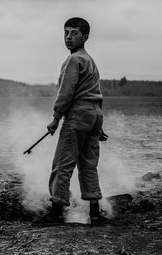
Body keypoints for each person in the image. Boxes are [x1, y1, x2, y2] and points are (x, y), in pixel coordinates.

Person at [33, 17, 109, 226]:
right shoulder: (90, 60)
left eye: (74, 33)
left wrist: (56, 118)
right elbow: (96, 93)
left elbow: (65, 93)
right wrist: (98, 125)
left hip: (78, 115)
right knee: (88, 165)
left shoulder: (73, 60)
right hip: (94, 116)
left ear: (85, 37)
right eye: (66, 32)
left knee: (62, 164)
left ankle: (56, 214)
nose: (68, 37)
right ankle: (95, 214)